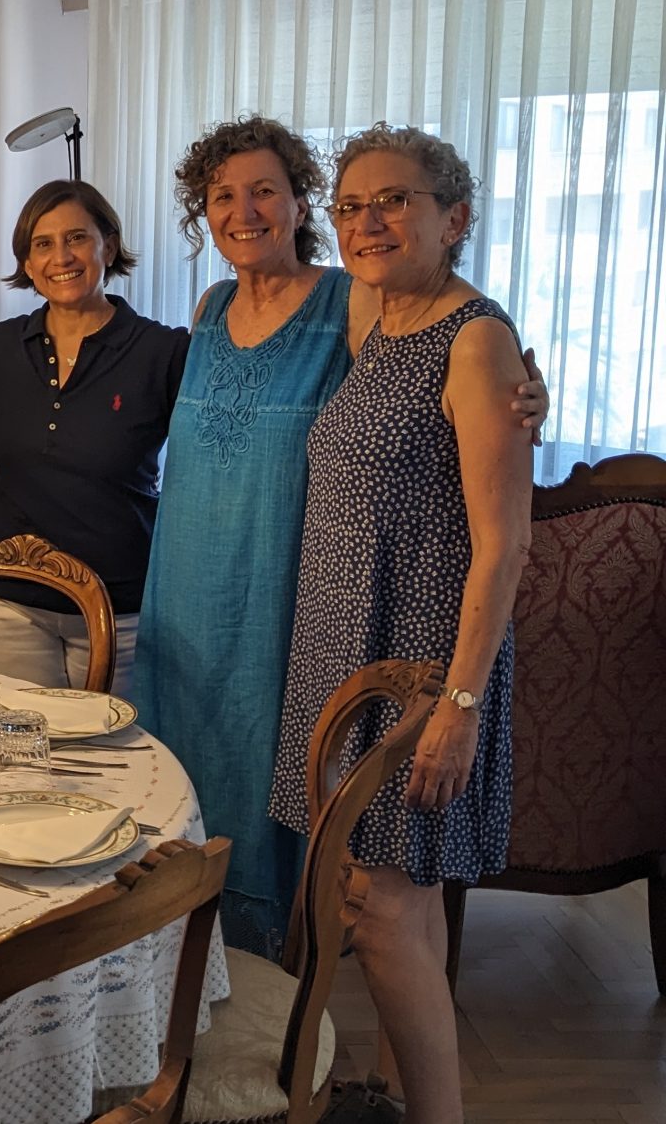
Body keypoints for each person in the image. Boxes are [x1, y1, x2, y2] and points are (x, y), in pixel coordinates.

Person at [129, 116, 547, 960]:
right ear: (200, 214)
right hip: (186, 597)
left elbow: (435, 342)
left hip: (288, 603)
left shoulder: (348, 297)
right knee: (184, 789)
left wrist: (525, 390)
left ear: (297, 204)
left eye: (264, 192)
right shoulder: (208, 309)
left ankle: (275, 990)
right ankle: (189, 976)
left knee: (325, 852)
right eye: (222, 197)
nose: (243, 211)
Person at [269, 125, 533, 1124]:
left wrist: (457, 705)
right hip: (348, 652)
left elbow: (503, 544)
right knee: (381, 906)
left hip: (422, 673)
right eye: (350, 204)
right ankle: (387, 1090)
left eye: (395, 200)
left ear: (452, 218)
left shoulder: (476, 339)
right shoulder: (379, 322)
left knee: (384, 912)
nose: (367, 220)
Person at [0, 181, 186, 695]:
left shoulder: (161, 350)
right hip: (4, 598)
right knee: (12, 760)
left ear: (107, 243)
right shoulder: (2, 343)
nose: (60, 257)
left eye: (77, 238)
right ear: (27, 260)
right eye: (42, 244)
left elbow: (204, 466)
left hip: (116, 606)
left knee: (112, 764)